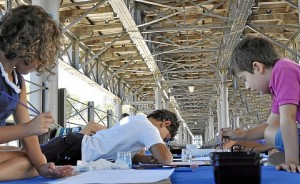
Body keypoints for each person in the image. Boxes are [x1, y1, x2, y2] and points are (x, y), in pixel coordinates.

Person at [0, 5, 73, 181]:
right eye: (42, 56)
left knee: (29, 161)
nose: (40, 64)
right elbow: (26, 128)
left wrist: (42, 167)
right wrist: (27, 128)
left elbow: (28, 134)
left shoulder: (17, 81)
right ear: (28, 48)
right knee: (25, 163)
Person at [222, 36, 300, 172]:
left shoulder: (283, 69)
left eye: (244, 78)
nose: (246, 86)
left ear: (257, 67)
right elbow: (269, 125)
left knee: (270, 133)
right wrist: (242, 135)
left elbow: (289, 118)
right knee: (269, 132)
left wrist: (291, 161)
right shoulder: (277, 87)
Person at [41, 109, 180, 165]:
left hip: (78, 151)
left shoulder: (136, 121)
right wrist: (162, 155)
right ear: (165, 123)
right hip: (78, 148)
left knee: (30, 161)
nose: (163, 141)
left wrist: (147, 158)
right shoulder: (149, 128)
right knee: (29, 156)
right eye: (166, 138)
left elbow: (128, 155)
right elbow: (167, 160)